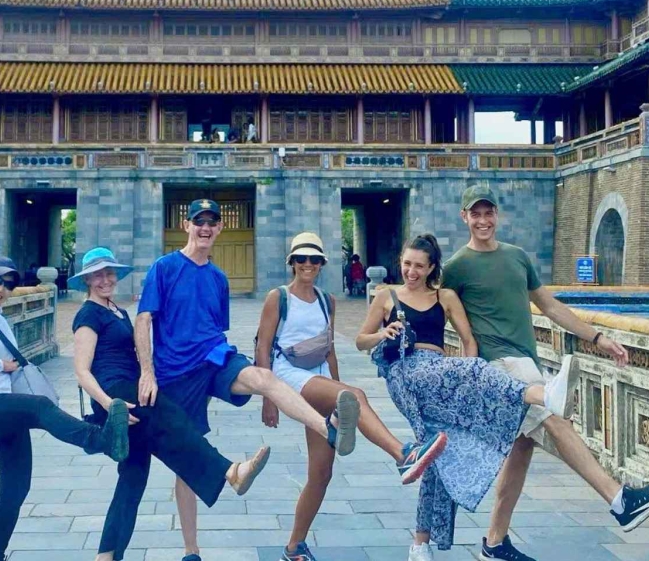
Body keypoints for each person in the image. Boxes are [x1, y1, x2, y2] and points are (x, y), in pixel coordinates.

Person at [441, 185, 649, 561]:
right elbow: (440, 312)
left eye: (488, 213)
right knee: (555, 418)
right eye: (475, 214)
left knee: (521, 451)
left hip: (525, 361)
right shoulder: (456, 267)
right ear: (464, 217)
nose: (483, 220)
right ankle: (620, 500)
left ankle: (495, 542)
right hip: (499, 366)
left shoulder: (517, 257)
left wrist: (598, 338)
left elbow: (550, 307)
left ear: (497, 215)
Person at [135, 199, 363, 561]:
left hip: (214, 359)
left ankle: (328, 428)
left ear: (219, 228)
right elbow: (144, 319)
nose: (205, 228)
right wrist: (147, 372)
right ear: (186, 225)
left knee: (263, 376)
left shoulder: (218, 278)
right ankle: (191, 550)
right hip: (174, 374)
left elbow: (214, 328)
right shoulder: (164, 268)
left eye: (212, 222)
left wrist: (242, 389)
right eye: (199, 221)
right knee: (187, 457)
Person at [355, 234, 572, 561]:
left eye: (419, 266)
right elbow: (360, 340)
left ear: (431, 268)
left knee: (439, 451)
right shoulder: (387, 296)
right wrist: (381, 333)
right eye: (407, 264)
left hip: (439, 374)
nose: (411, 271)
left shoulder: (445, 297)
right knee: (473, 378)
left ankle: (420, 544)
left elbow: (469, 341)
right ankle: (543, 395)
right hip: (406, 374)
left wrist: (468, 377)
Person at [71, 246, 272, 561]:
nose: (105, 280)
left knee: (133, 478)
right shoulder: (87, 314)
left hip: (129, 391)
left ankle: (106, 555)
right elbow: (82, 372)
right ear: (87, 280)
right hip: (117, 393)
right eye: (98, 275)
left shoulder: (116, 310)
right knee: (175, 421)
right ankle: (230, 471)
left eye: (109, 273)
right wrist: (111, 405)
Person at [259, 232, 449, 561]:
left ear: (322, 263)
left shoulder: (326, 300)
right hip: (288, 374)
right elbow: (262, 346)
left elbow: (329, 348)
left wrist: (337, 392)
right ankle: (403, 455)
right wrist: (268, 398)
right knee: (356, 395)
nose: (307, 264)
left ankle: (293, 548)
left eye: (314, 259)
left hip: (318, 374)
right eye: (301, 259)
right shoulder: (278, 297)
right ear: (292, 262)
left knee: (321, 473)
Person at [0, 256, 132, 561]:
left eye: (8, 284)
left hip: (6, 407)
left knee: (15, 490)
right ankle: (100, 439)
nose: (1, 289)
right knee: (39, 407)